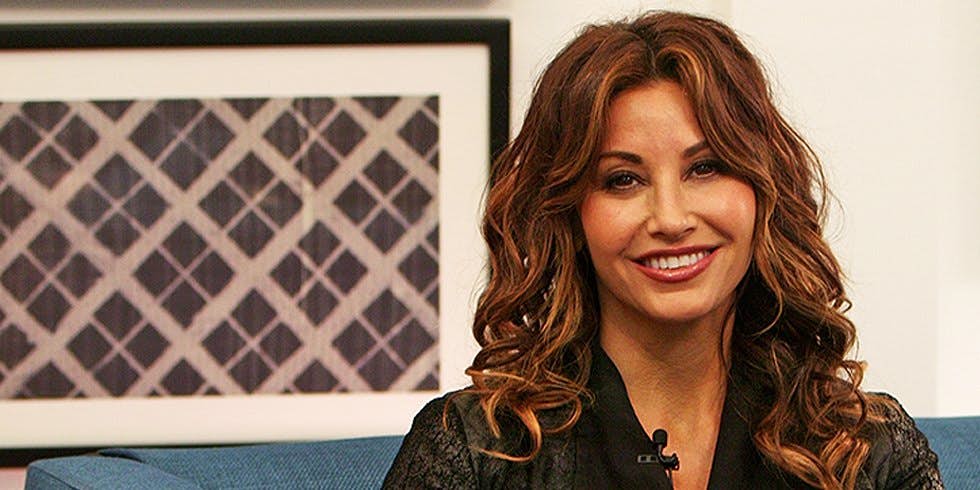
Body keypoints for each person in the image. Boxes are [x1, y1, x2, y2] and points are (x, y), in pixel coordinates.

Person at [383, 10, 941, 489]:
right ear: (570, 215)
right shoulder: (477, 450)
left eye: (706, 167)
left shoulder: (867, 448)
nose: (671, 219)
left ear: (763, 191)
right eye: (623, 180)